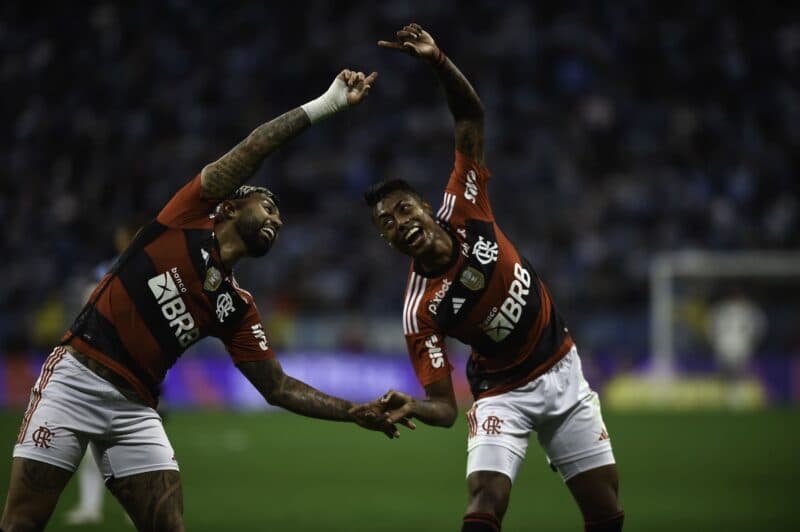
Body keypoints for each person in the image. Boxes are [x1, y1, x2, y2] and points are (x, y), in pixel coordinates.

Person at [2, 68, 396, 532]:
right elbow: (255, 148)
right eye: (268, 207)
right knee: (24, 521)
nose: (278, 220)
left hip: (135, 408)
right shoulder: (186, 216)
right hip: (76, 379)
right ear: (230, 206)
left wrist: (355, 411)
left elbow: (279, 388)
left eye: (281, 216)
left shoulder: (235, 305)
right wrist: (327, 105)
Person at [358, 24, 624, 531]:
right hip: (502, 393)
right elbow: (443, 408)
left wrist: (438, 60)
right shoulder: (421, 309)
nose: (399, 223)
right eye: (386, 224)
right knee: (484, 501)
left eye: (404, 209)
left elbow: (470, 116)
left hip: (563, 369)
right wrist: (410, 403)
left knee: (605, 512)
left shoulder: (465, 204)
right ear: (386, 241)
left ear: (426, 208)